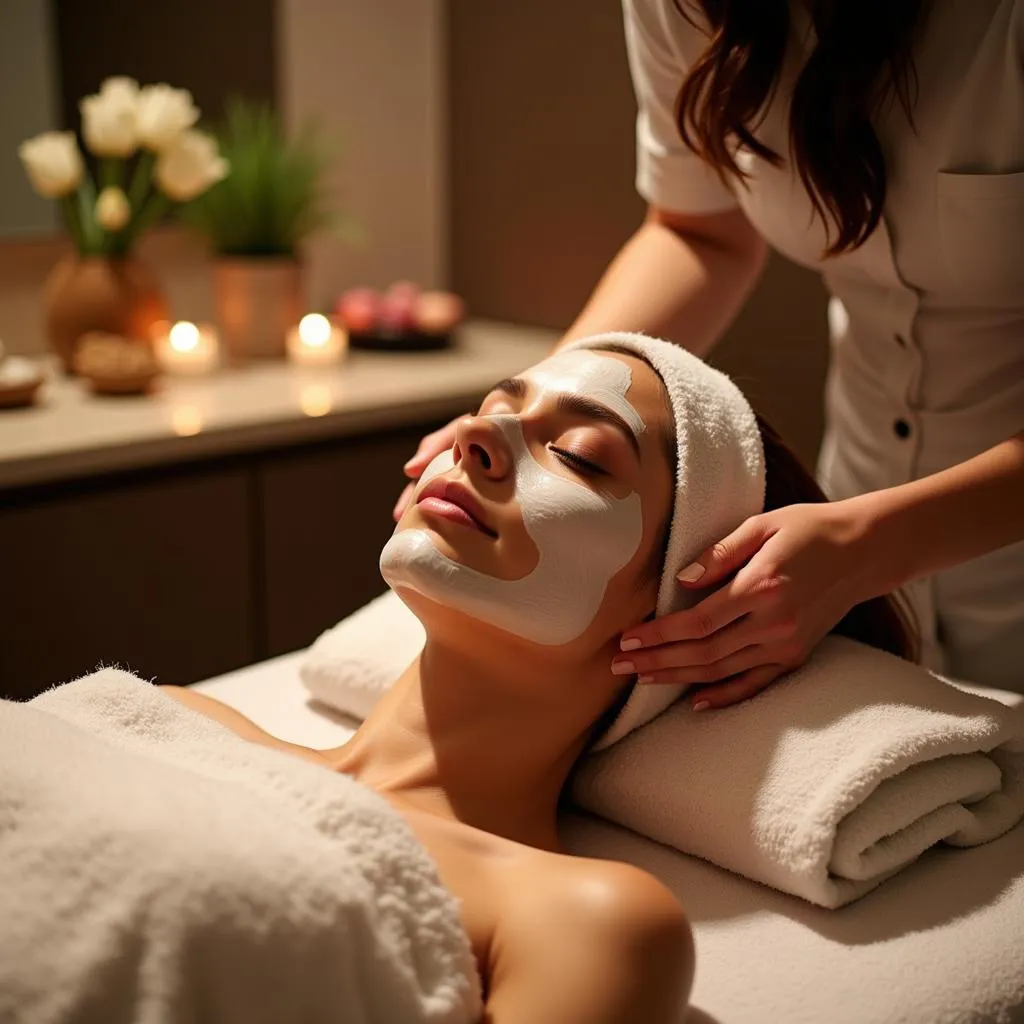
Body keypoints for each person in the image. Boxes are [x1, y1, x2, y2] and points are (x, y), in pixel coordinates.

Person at [166, 337, 912, 1023]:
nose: (472, 437)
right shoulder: (175, 724)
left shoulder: (579, 921)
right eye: (490, 411)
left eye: (582, 456)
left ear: (692, 608)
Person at [395, 0, 1024, 700]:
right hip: (857, 487)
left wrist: (868, 548)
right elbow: (701, 234)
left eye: (580, 458)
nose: (482, 433)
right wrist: (539, 400)